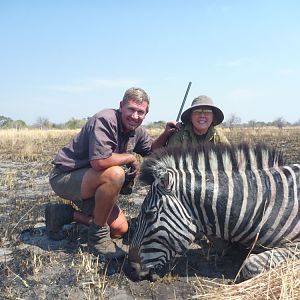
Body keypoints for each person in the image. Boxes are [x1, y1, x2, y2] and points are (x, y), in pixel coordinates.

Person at [46, 87, 177, 259]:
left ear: (146, 113)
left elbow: (151, 151)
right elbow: (99, 162)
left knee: (120, 229)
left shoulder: (136, 130)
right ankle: (97, 239)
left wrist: (166, 133)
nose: (135, 116)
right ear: (121, 106)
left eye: (141, 112)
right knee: (115, 174)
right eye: (131, 109)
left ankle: (63, 214)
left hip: (92, 183)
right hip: (65, 177)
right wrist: (129, 157)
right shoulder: (106, 119)